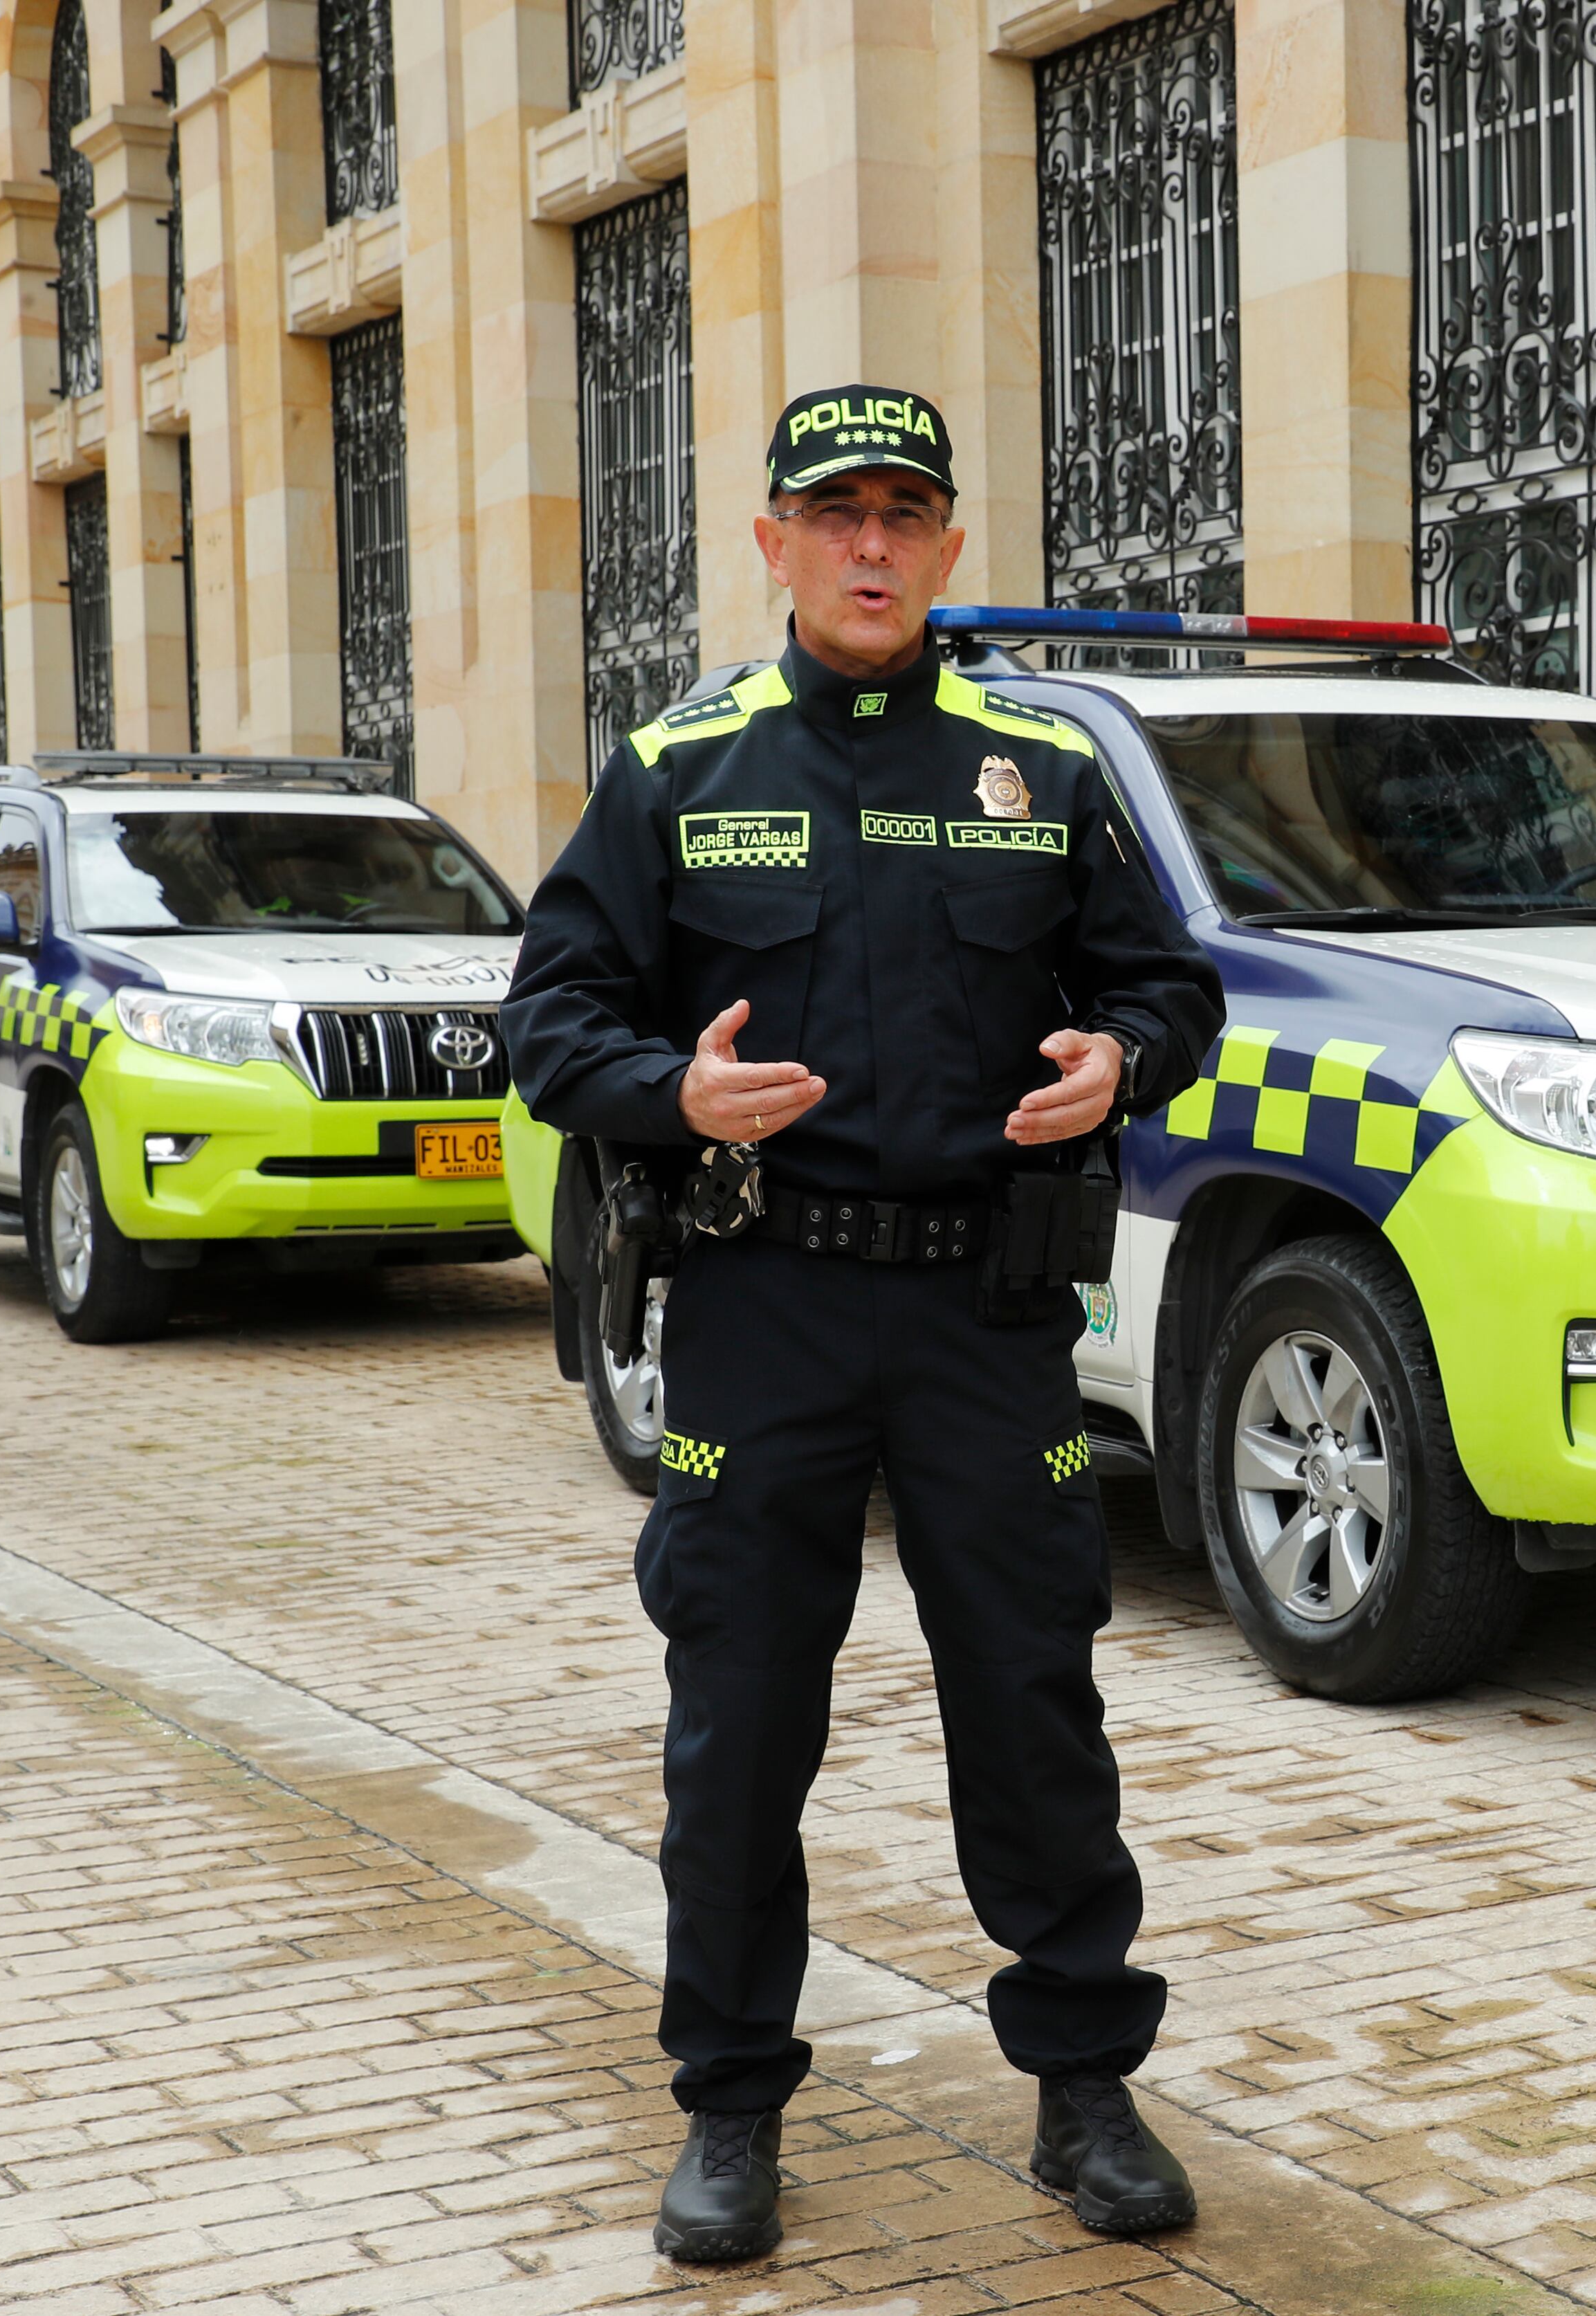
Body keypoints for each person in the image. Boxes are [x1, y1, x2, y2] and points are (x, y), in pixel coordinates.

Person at [502, 385, 1227, 2264]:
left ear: (951, 543)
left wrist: (1118, 1052)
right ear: (772, 543)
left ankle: (1082, 2089)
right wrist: (673, 1093)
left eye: (908, 510)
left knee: (1032, 1703)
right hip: (764, 1308)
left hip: (987, 1318)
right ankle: (731, 2104)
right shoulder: (682, 769)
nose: (873, 545)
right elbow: (551, 1021)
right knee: (740, 1717)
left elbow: (1170, 985)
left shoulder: (1038, 770)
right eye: (837, 514)